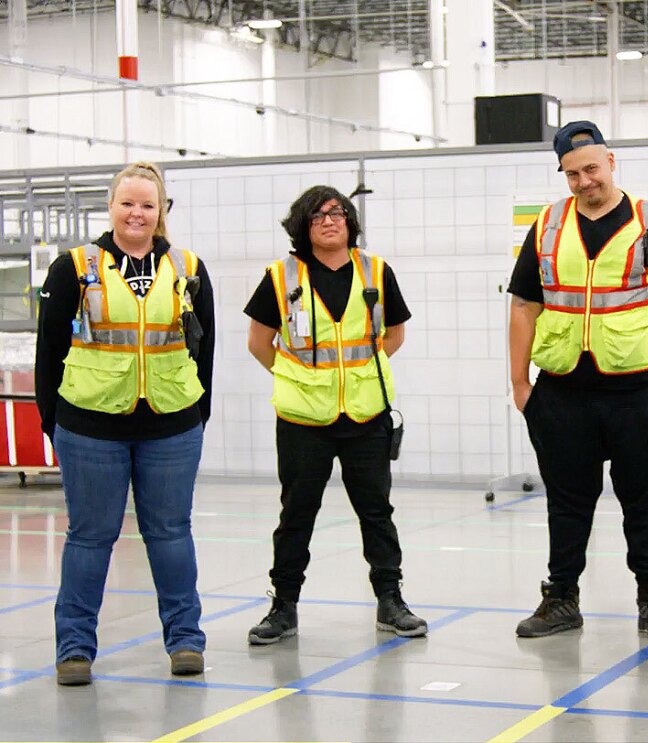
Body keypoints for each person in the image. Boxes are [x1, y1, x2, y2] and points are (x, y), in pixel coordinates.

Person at [507, 121, 648, 640]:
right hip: (563, 391)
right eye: (571, 173)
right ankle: (561, 598)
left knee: (645, 500)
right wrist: (520, 383)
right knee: (566, 501)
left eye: (590, 168)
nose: (583, 181)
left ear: (611, 162)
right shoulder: (547, 225)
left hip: (640, 391)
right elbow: (524, 304)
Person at [35, 162, 215, 686]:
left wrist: (195, 416)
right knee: (91, 536)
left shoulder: (188, 268)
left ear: (162, 212)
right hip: (90, 427)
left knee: (171, 533)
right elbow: (50, 351)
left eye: (148, 205)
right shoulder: (74, 267)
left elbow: (205, 352)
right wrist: (55, 423)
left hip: (172, 426)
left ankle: (185, 641)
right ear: (111, 206)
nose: (137, 213)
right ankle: (74, 650)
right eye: (127, 203)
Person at [243, 185, 426, 644]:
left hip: (366, 417)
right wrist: (300, 378)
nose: (330, 220)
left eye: (338, 212)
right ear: (302, 227)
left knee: (376, 512)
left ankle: (390, 600)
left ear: (349, 220)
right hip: (304, 420)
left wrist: (356, 376)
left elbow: (394, 335)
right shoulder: (281, 277)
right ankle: (283, 607)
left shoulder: (376, 271)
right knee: (296, 514)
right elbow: (259, 343)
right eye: (318, 215)